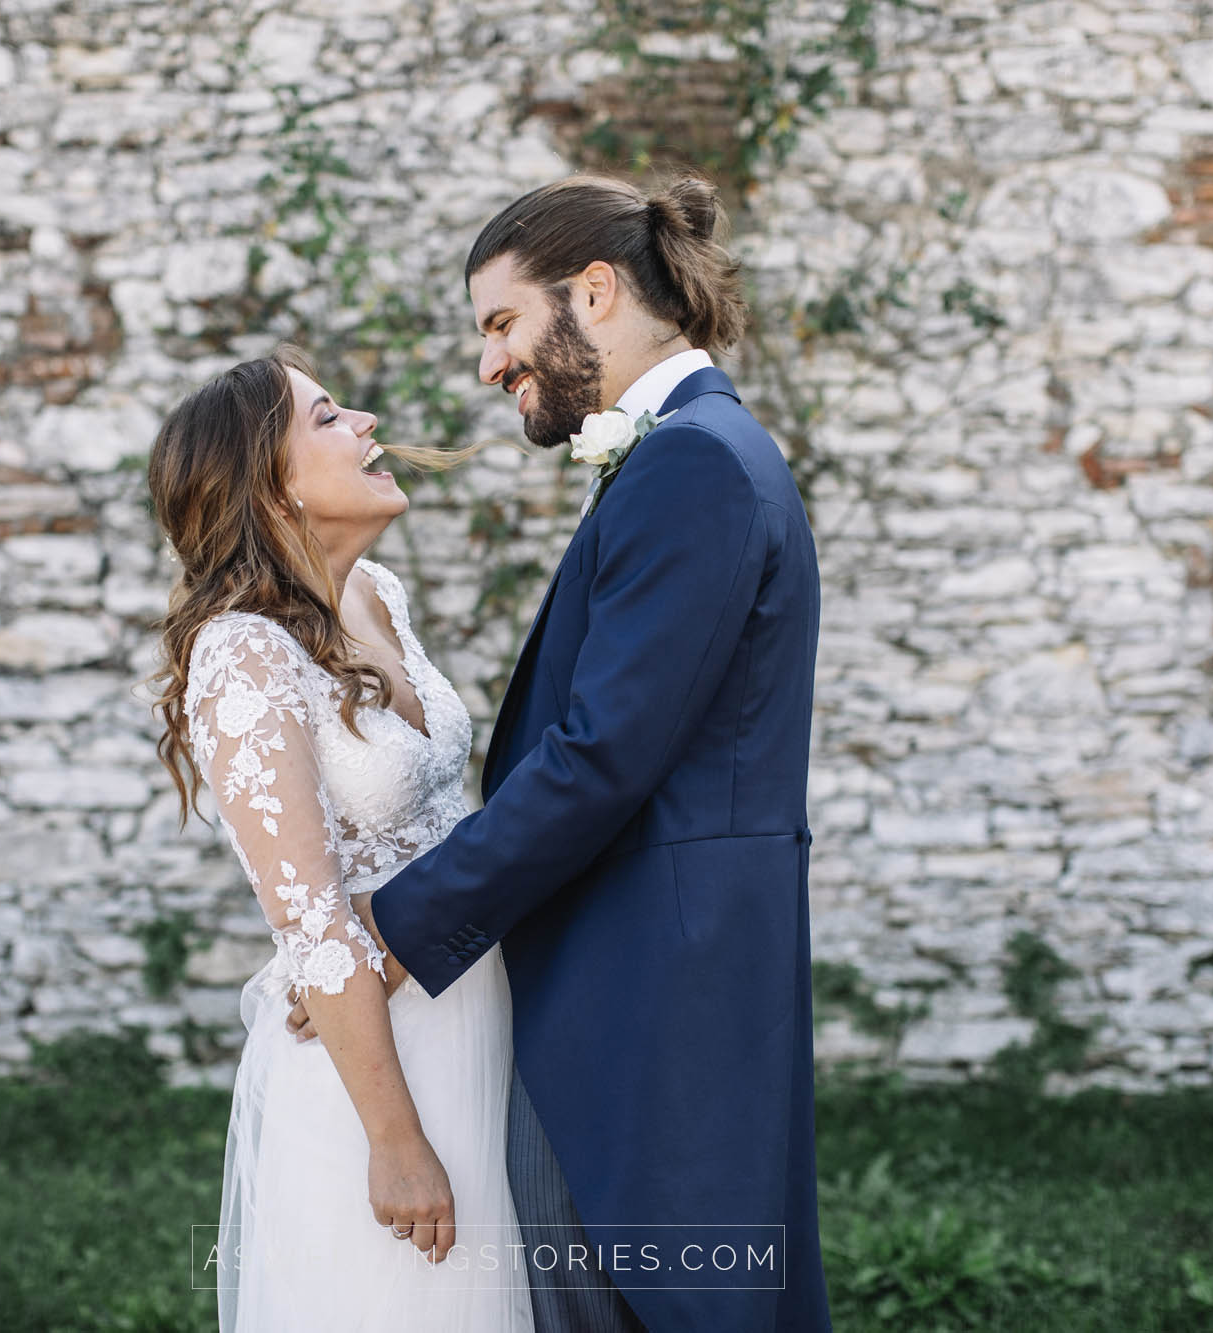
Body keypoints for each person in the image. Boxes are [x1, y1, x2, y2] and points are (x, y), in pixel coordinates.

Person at [290, 173, 832, 1331]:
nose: (488, 366)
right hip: (672, 979)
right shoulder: (700, 453)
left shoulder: (691, 465)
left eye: (500, 323)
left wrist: (392, 928)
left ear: (593, 293)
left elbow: (598, 760)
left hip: (651, 1007)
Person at [147, 348, 533, 1331]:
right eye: (326, 418)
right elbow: (313, 925)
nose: (365, 421)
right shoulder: (242, 654)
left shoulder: (378, 596)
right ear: (269, 488)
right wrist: (395, 1140)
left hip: (471, 1014)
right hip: (376, 1068)